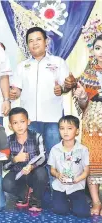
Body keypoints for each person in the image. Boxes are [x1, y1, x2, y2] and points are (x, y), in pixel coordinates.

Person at [10, 27, 76, 154]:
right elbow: (17, 90)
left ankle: (53, 175)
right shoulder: (22, 66)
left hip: (53, 118)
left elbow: (66, 86)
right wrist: (13, 94)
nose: (35, 43)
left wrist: (64, 88)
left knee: (53, 156)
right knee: (32, 157)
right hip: (29, 121)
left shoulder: (58, 62)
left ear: (46, 42)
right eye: (31, 41)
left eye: (38, 39)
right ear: (27, 45)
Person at [73, 34, 102, 216]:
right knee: (93, 162)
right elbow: (83, 105)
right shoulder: (87, 74)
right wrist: (83, 97)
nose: (101, 52)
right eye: (98, 48)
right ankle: (96, 202)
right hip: (93, 122)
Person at [2, 107, 48, 212]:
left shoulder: (37, 137)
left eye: (22, 122)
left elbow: (44, 157)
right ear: (10, 125)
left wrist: (32, 166)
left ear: (28, 122)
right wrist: (15, 159)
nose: (19, 126)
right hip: (18, 173)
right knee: (6, 183)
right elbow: (4, 166)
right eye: (15, 123)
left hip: (34, 172)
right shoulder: (8, 140)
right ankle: (23, 192)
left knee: (42, 174)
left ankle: (35, 199)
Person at [48, 115, 90, 218]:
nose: (65, 132)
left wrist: (77, 179)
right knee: (60, 210)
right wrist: (58, 175)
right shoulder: (55, 149)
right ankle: (64, 200)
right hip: (60, 186)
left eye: (69, 128)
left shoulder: (83, 149)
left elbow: (86, 171)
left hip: (76, 186)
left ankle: (77, 201)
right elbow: (52, 170)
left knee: (82, 213)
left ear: (77, 131)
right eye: (62, 128)